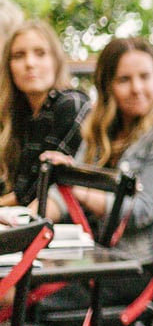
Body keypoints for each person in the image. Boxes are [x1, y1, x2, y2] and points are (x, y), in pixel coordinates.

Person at [36, 37, 153, 312]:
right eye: (124, 80)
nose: (137, 88)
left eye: (145, 77)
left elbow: (142, 211)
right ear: (107, 86)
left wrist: (78, 188)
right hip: (93, 255)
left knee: (21, 296)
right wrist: (27, 223)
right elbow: (65, 193)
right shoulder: (102, 126)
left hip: (133, 267)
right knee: (20, 280)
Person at [0, 21, 89, 206]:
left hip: (61, 226)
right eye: (19, 55)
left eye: (40, 53)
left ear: (56, 60)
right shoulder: (16, 115)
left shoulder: (71, 104)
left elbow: (34, 190)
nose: (30, 63)